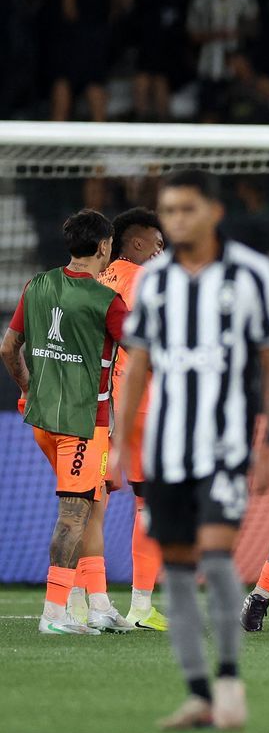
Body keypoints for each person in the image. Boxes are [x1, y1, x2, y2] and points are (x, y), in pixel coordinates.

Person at [111, 170, 269, 730]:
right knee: (178, 571)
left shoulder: (252, 273)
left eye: (186, 209)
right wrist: (120, 444)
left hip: (226, 443)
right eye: (169, 211)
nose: (177, 221)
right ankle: (197, 693)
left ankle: (231, 682)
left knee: (214, 555)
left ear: (212, 210)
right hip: (165, 446)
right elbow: (137, 361)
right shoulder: (155, 279)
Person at [1, 210, 132, 635]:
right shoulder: (106, 300)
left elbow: (8, 348)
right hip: (82, 424)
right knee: (74, 514)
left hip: (42, 418)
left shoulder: (36, 285)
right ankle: (55, 613)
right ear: (104, 247)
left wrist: (27, 390)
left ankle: (98, 606)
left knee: (93, 506)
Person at [95, 207, 167, 630]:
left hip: (98, 402)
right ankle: (141, 607)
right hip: (141, 402)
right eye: (157, 246)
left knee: (86, 502)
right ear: (137, 243)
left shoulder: (97, 279)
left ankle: (85, 602)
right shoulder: (146, 280)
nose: (162, 255)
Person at [187, 0, 260, 122]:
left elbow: (253, 26)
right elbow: (192, 35)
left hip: (237, 63)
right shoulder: (202, 1)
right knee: (209, 110)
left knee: (240, 108)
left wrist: (238, 33)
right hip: (209, 64)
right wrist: (218, 35)